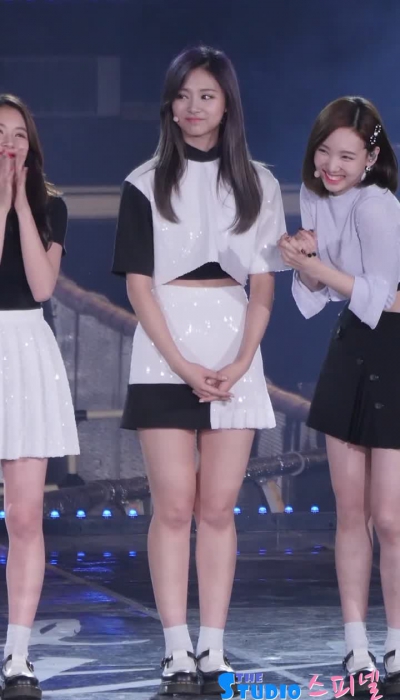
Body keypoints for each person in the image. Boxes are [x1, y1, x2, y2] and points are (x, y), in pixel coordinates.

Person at [112, 45, 287, 695]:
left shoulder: (260, 183)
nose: (194, 107)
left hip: (234, 344)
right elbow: (137, 285)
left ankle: (212, 647)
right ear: (170, 104)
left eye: (207, 95)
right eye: (184, 95)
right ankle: (176, 649)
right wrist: (182, 363)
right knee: (175, 506)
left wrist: (240, 360)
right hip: (165, 348)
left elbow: (264, 283)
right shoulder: (142, 182)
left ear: (227, 104)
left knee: (217, 508)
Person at [279, 96, 400, 696]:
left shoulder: (379, 205)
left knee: (391, 517)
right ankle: (356, 644)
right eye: (325, 151)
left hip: (392, 351)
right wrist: (302, 261)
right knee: (350, 513)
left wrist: (317, 268)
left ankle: (397, 639)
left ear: (371, 158)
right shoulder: (314, 194)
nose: (331, 165)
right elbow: (318, 296)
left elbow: (383, 296)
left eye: (347, 156)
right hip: (350, 349)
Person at [0, 94, 79, 699]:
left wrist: (21, 206)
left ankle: (18, 654)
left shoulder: (52, 206)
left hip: (26, 350)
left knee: (25, 516)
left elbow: (42, 285)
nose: (9, 144)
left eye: (18, 134)